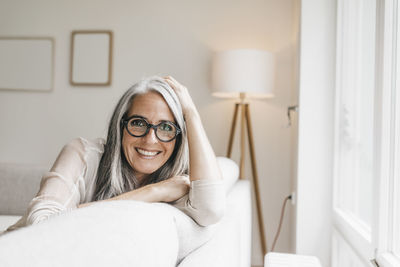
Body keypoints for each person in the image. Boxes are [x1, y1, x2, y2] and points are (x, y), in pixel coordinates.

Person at [3, 76, 225, 234]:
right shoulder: (82, 153)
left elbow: (211, 210)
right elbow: (42, 226)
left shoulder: (182, 182)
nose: (150, 139)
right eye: (138, 123)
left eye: (166, 127)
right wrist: (153, 192)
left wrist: (192, 115)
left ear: (179, 136)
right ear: (119, 127)